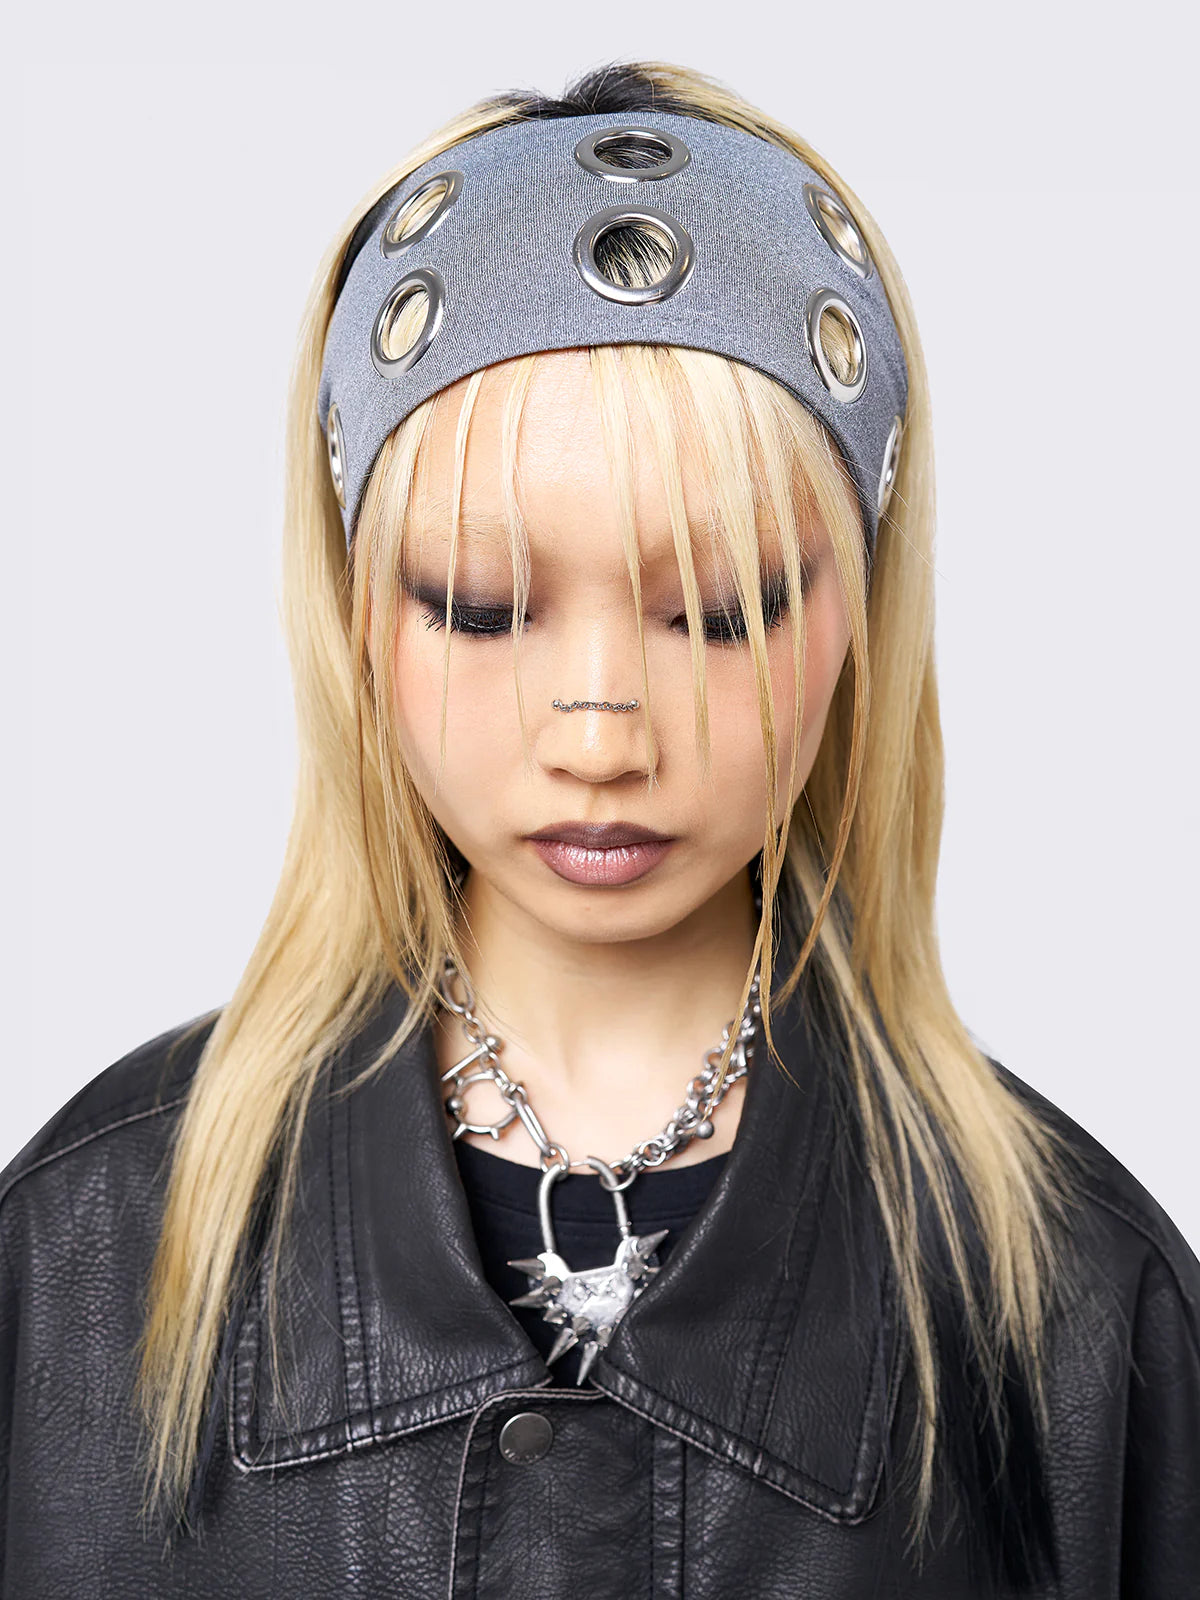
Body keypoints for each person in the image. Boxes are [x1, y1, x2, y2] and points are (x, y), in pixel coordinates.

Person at [2, 58, 1197, 1599]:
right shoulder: (80, 1253)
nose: (601, 737)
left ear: (858, 612)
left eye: (722, 611)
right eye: (482, 606)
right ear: (357, 614)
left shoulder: (1084, 1314)